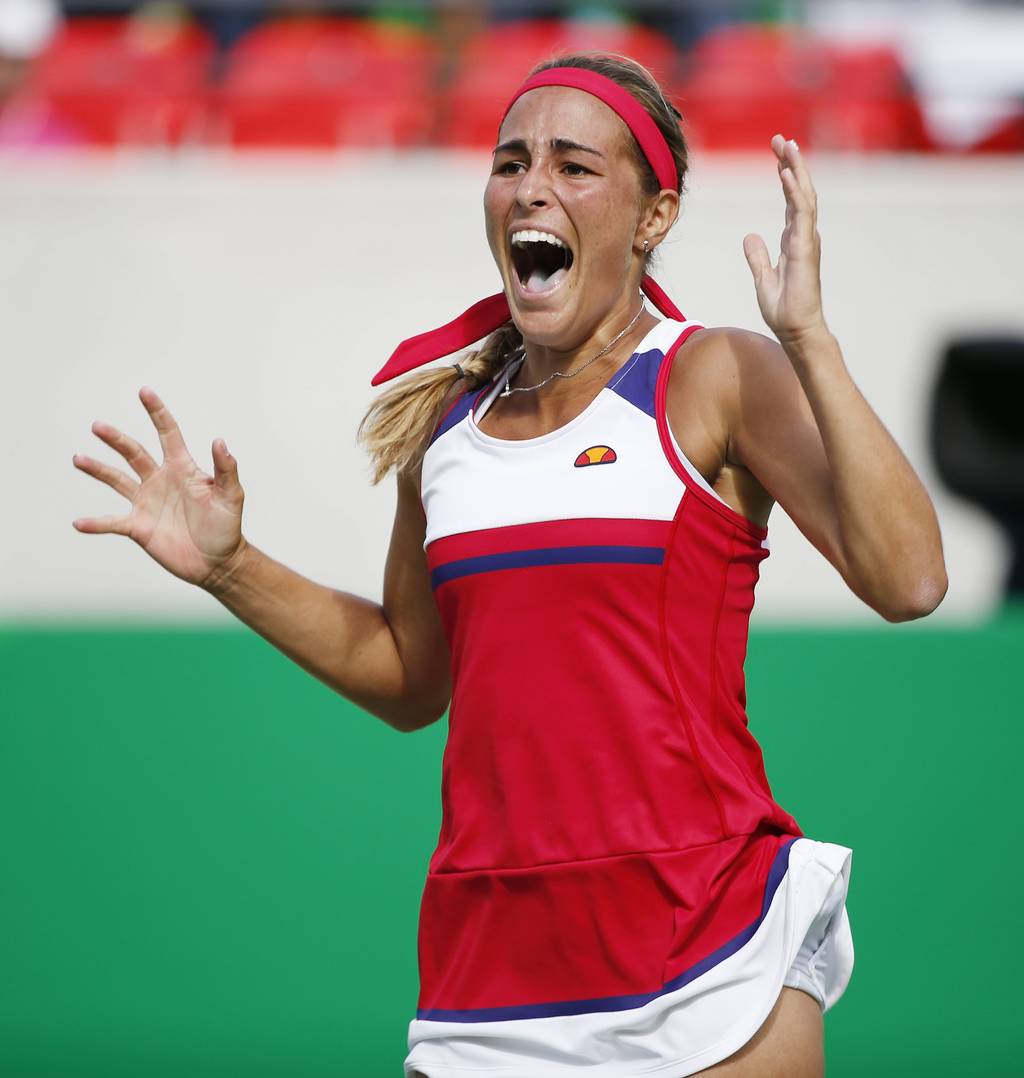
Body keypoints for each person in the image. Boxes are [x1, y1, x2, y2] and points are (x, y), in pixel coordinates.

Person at [71, 52, 947, 1077]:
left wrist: (806, 338)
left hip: (711, 948)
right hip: (488, 975)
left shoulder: (713, 374)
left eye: (575, 167)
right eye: (510, 161)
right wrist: (230, 568)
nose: (532, 185)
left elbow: (908, 580)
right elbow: (410, 676)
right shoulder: (443, 428)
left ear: (653, 215)